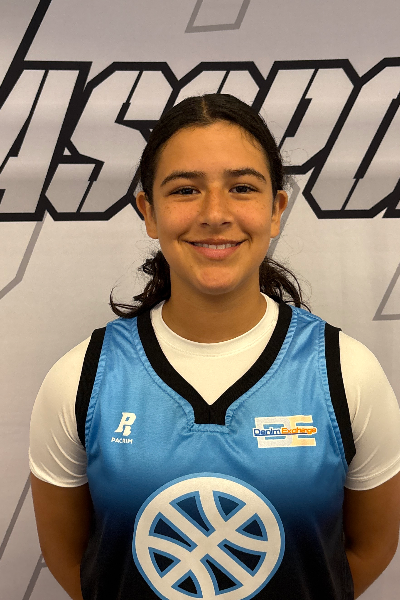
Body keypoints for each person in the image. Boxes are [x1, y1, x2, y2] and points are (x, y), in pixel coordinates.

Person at [30, 94, 400, 600]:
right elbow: (75, 563)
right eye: (185, 190)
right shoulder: (82, 378)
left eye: (242, 187)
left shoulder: (346, 371)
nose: (215, 214)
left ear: (276, 210)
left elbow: (369, 549)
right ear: (149, 212)